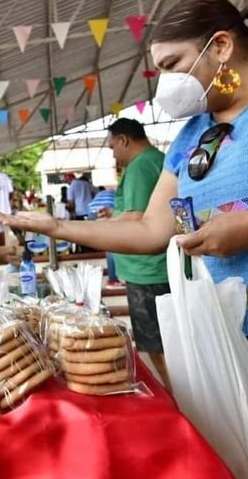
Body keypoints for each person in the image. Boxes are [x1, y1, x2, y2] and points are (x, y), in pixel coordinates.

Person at [0, 0, 248, 377]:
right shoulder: (193, 135)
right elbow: (152, 229)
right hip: (233, 344)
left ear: (220, 46)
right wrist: (57, 227)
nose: (166, 83)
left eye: (173, 64)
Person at [105, 118, 170, 387]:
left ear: (123, 140)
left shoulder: (140, 166)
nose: (113, 153)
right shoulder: (157, 159)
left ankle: (177, 395)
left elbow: (136, 217)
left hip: (147, 270)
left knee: (157, 343)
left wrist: (99, 228)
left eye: (112, 147)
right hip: (156, 266)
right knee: (165, 340)